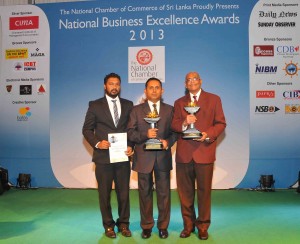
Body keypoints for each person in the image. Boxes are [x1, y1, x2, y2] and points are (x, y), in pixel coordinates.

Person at [171, 71, 226, 240]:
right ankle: (188, 226)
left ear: (201, 81)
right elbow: (173, 124)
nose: (192, 81)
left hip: (205, 152)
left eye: (195, 78)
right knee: (185, 193)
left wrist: (208, 134)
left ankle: (203, 226)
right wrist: (184, 123)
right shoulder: (179, 102)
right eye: (188, 80)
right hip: (184, 155)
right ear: (185, 84)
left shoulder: (214, 99)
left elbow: (221, 123)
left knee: (204, 193)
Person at [82, 73, 134, 238]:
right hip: (103, 158)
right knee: (104, 194)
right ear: (105, 86)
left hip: (122, 158)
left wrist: (131, 146)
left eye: (117, 84)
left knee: (124, 194)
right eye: (111, 84)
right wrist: (98, 143)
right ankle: (108, 225)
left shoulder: (128, 105)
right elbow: (87, 130)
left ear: (120, 86)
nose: (114, 87)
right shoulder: (95, 105)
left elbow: (132, 130)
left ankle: (124, 224)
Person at [127, 78, 177, 239]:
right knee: (144, 194)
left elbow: (175, 132)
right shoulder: (136, 110)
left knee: (164, 194)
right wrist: (145, 135)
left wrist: (167, 142)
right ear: (145, 91)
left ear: (162, 91)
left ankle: (163, 226)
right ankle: (147, 226)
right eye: (151, 88)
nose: (154, 90)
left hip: (162, 157)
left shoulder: (170, 110)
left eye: (157, 88)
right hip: (143, 158)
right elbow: (130, 132)